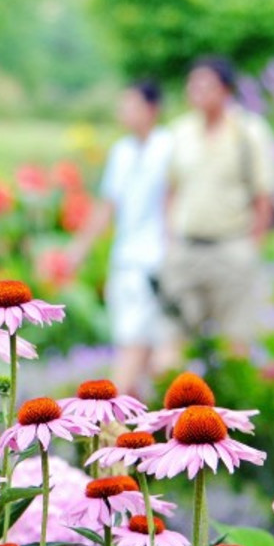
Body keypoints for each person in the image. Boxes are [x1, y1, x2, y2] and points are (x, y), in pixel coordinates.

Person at [161, 55, 274, 359]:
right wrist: (170, 238)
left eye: (207, 85)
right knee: (172, 342)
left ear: (226, 90)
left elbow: (264, 195)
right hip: (186, 249)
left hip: (231, 247)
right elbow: (171, 189)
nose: (198, 91)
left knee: (234, 345)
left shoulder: (248, 131)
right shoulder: (180, 133)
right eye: (193, 84)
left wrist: (253, 247)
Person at [68, 81, 173, 397]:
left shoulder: (168, 147)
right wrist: (78, 249)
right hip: (125, 259)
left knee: (137, 346)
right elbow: (107, 206)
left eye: (131, 105)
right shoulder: (122, 151)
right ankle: (134, 427)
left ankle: (110, 417)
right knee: (139, 350)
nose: (123, 113)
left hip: (156, 260)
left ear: (152, 110)